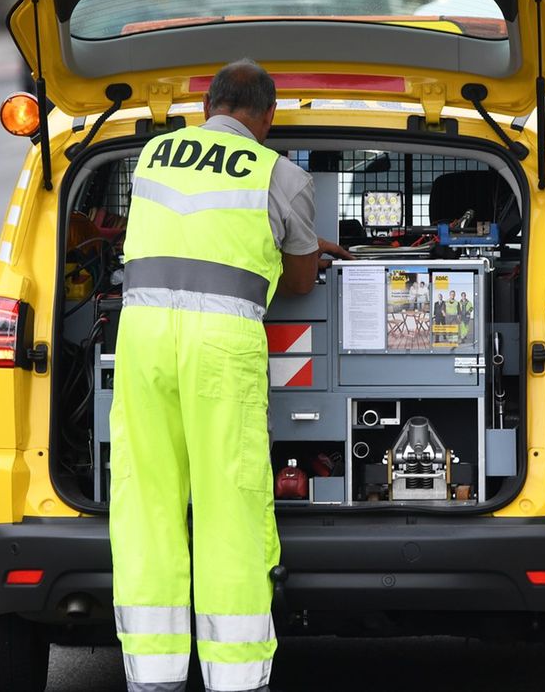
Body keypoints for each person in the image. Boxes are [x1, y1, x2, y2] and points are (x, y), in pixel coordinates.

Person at [109, 59, 348, 692]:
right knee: (228, 503)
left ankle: (153, 674)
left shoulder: (153, 155)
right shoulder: (280, 173)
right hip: (221, 347)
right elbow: (297, 282)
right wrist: (312, 248)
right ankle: (236, 678)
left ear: (206, 105)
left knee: (148, 497)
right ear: (268, 117)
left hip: (142, 339)